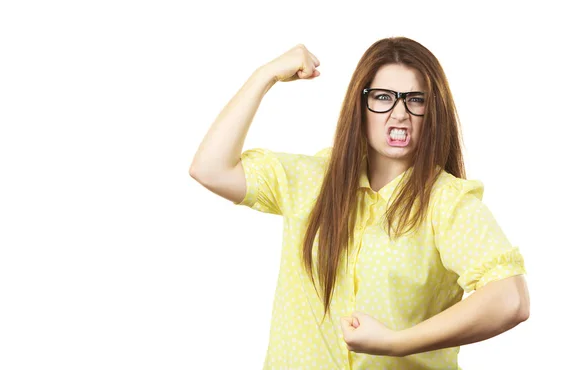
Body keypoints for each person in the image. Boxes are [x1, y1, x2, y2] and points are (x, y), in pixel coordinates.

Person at [189, 37, 530, 369]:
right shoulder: (312, 181)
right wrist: (266, 75)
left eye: (416, 100)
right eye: (383, 98)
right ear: (360, 105)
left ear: (433, 112)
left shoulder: (447, 202)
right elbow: (210, 168)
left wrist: (395, 343)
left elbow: (510, 299)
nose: (400, 114)